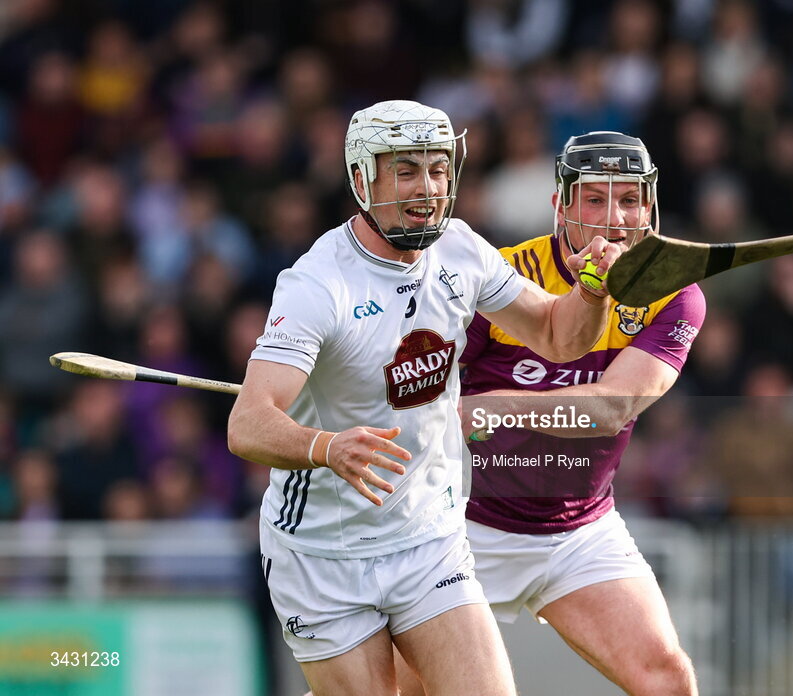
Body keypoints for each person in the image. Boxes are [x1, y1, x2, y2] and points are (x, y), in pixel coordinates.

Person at [226, 101, 625, 696]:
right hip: (322, 554)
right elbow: (248, 424)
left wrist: (592, 295)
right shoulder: (317, 283)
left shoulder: (460, 251)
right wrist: (326, 446)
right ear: (363, 179)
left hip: (428, 540)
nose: (429, 187)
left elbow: (555, 334)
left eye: (439, 169)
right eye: (406, 170)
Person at [402, 131, 705, 696]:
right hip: (462, 530)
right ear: (560, 205)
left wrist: (501, 408)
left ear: (649, 207)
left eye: (629, 199)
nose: (614, 217)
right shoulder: (501, 278)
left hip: (580, 532)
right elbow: (418, 392)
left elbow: (612, 408)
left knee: (667, 677)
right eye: (594, 198)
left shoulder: (673, 293)